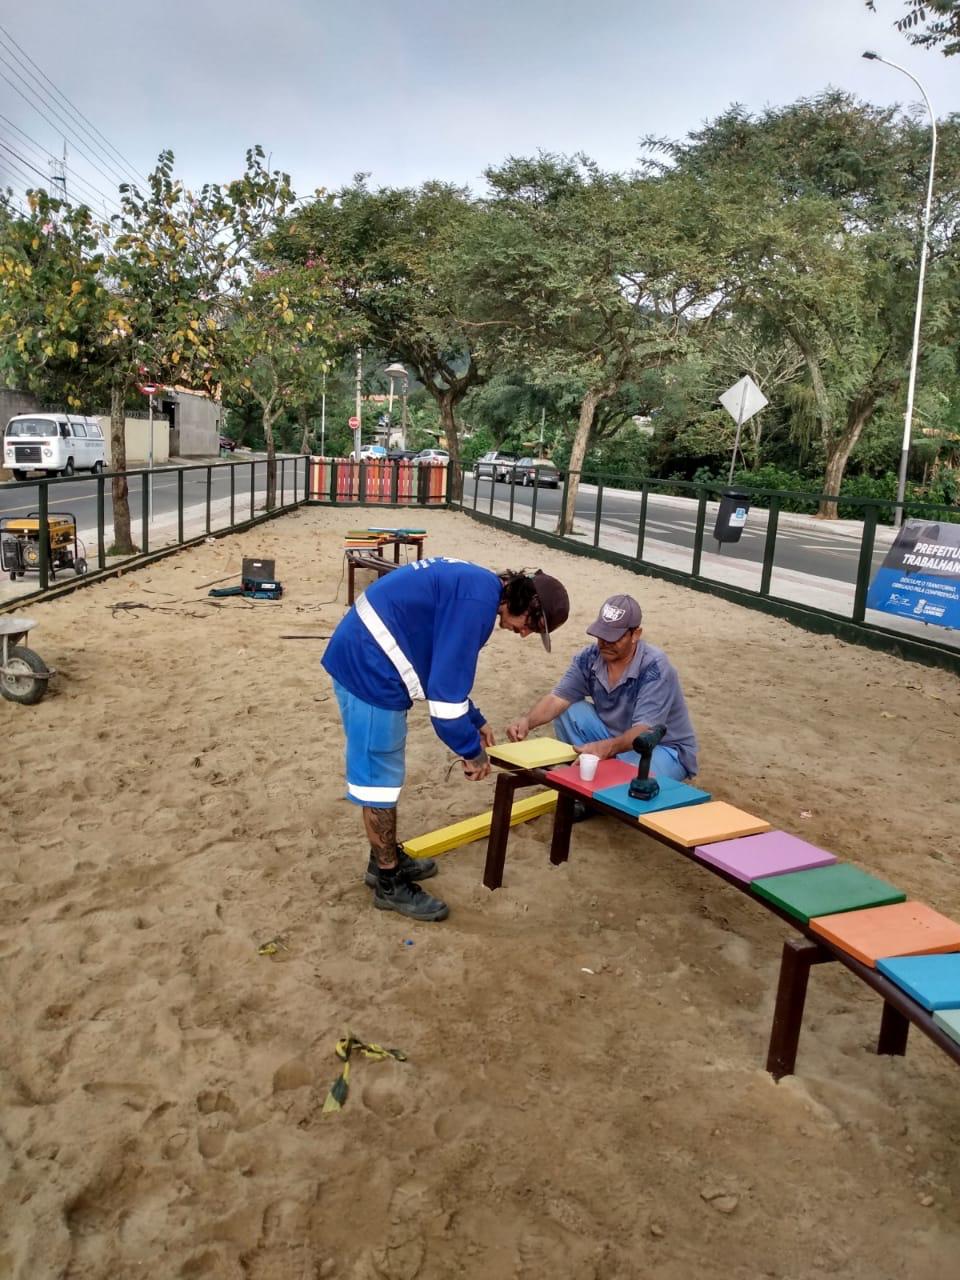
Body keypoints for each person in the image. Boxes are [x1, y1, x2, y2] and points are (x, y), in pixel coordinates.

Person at [322, 558, 570, 921]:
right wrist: (473, 753)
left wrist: (475, 718)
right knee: (380, 783)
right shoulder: (477, 607)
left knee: (384, 779)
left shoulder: (479, 588)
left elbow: (438, 670)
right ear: (525, 604)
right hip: (370, 669)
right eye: (532, 625)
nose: (525, 634)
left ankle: (383, 859)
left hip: (367, 650)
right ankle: (388, 882)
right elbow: (443, 707)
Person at [506, 593, 697, 786]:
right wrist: (527, 721)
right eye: (602, 635)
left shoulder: (655, 667)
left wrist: (604, 749)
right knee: (569, 709)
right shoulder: (589, 657)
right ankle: (600, 772)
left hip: (662, 747)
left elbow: (643, 731)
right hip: (616, 737)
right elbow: (558, 699)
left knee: (625, 780)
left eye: (614, 637)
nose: (605, 643)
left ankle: (603, 773)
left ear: (635, 635)